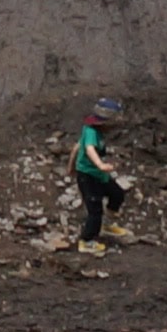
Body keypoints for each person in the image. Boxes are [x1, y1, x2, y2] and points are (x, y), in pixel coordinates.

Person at [70, 100, 130, 243]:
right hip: (88, 176)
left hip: (98, 175)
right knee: (95, 211)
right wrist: (100, 165)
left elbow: (77, 147)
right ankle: (86, 241)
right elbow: (89, 148)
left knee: (117, 194)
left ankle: (106, 223)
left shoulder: (93, 131)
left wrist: (70, 166)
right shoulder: (91, 132)